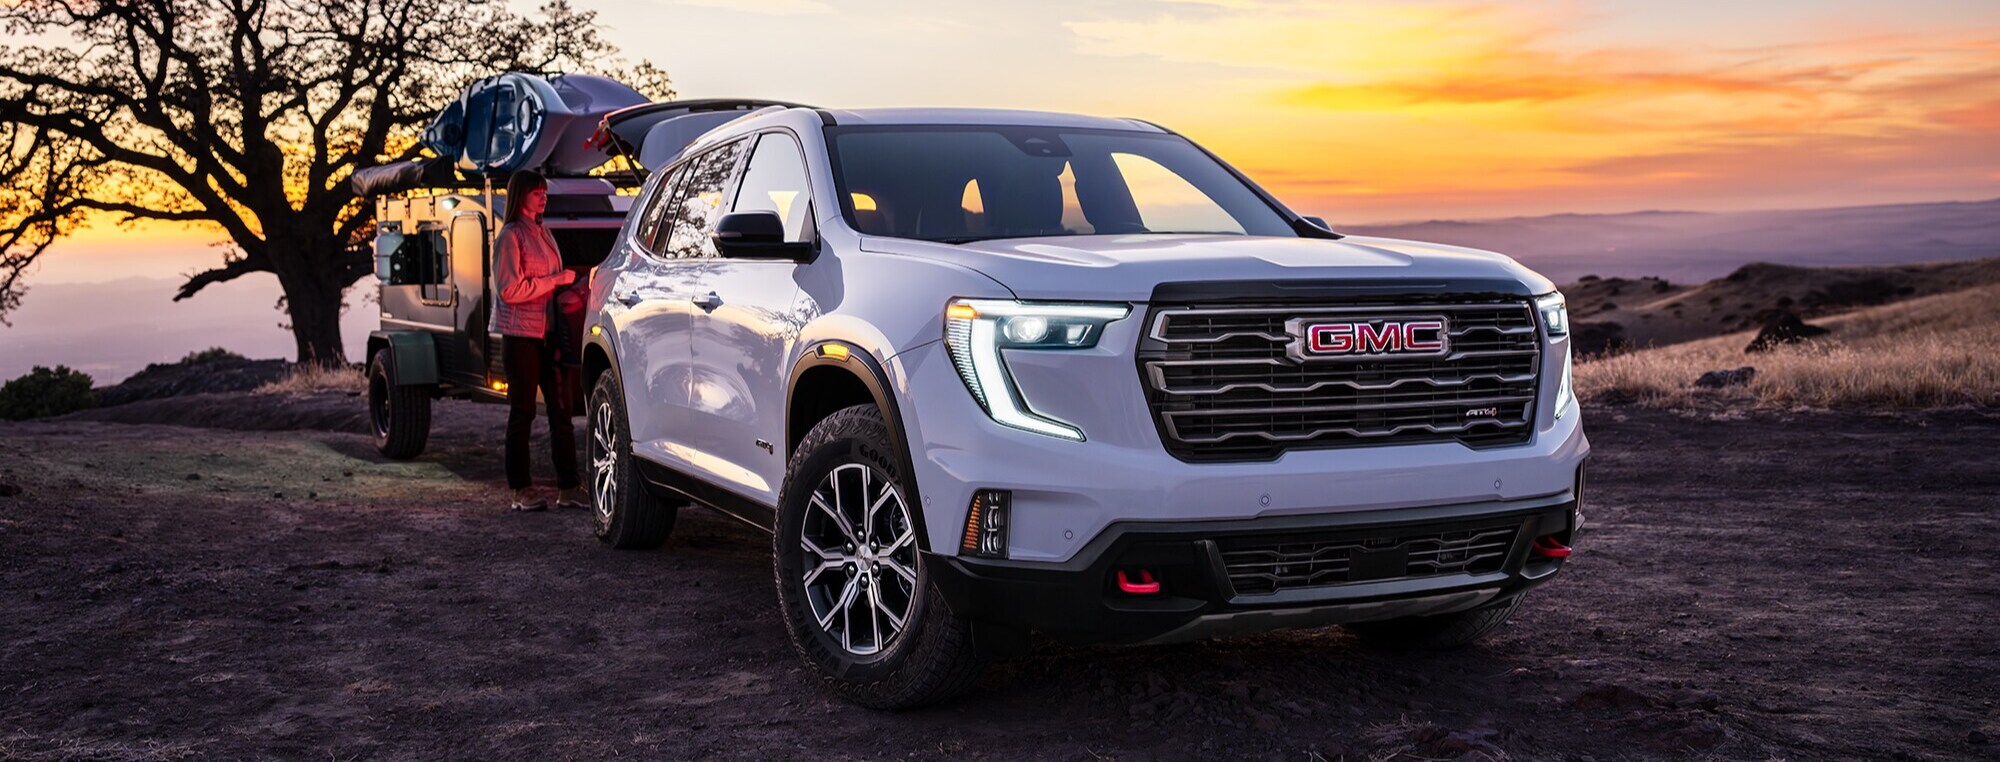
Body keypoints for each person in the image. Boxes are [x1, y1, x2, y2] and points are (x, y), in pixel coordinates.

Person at [490, 170, 585, 512]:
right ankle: (521, 490)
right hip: (520, 338)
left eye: (545, 192)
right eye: (537, 192)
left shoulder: (544, 232)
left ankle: (569, 488)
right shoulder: (510, 236)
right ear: (521, 196)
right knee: (523, 412)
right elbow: (509, 290)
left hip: (549, 335)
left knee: (561, 411)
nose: (544, 197)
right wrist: (555, 280)